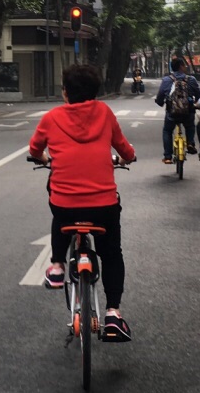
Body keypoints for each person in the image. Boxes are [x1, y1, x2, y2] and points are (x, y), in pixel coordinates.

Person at [29, 63, 136, 342]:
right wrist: (127, 157)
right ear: (95, 92)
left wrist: (45, 159)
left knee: (60, 210)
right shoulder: (105, 113)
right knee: (111, 254)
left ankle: (57, 266)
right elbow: (124, 149)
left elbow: (34, 149)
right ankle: (113, 313)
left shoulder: (52, 117)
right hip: (103, 206)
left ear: (65, 92)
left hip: (65, 206)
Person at [154, 56, 200, 160]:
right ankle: (190, 143)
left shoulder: (166, 80)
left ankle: (167, 156)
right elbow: (199, 95)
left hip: (172, 112)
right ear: (181, 66)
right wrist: (197, 104)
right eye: (184, 65)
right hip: (188, 112)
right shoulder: (191, 79)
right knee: (190, 126)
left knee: (167, 130)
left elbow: (160, 95)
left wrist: (160, 102)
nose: (185, 67)